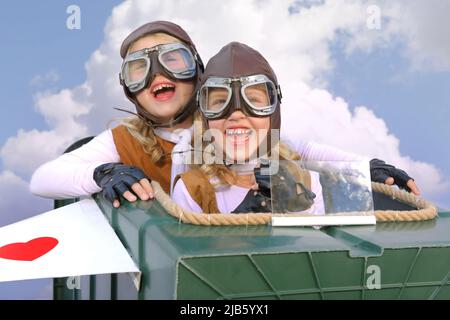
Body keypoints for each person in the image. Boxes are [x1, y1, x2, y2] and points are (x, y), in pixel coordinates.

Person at [171, 42, 419, 214]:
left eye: (254, 101)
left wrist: (365, 167)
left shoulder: (307, 183)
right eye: (219, 102)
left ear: (275, 111)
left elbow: (317, 263)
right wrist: (239, 223)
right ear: (204, 116)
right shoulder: (192, 188)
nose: (236, 113)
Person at [30, 21, 204, 208]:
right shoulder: (127, 140)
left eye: (171, 60)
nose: (157, 73)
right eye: (139, 68)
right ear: (128, 87)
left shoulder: (225, 127)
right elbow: (42, 180)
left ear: (197, 67)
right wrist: (102, 173)